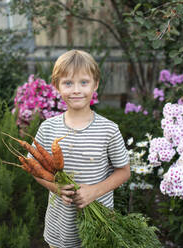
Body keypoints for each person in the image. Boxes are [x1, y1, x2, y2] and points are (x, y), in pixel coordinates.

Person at [32, 49, 130, 248]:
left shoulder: (108, 129)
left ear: (96, 84)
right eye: (68, 83)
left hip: (99, 225)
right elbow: (34, 169)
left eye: (84, 82)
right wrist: (56, 188)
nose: (76, 90)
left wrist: (95, 191)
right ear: (56, 87)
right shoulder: (48, 127)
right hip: (59, 225)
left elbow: (124, 172)